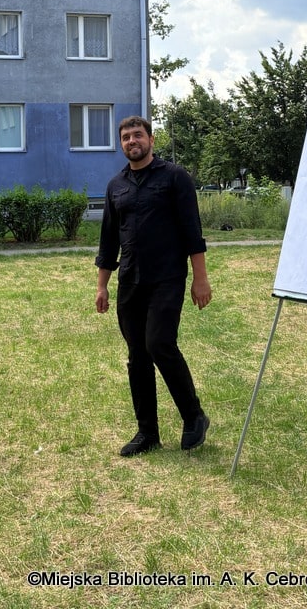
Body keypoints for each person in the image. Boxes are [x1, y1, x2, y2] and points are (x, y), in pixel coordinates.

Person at [95, 115, 212, 457]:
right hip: (130, 280)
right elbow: (108, 240)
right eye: (126, 137)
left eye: (138, 135)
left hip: (167, 278)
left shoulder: (175, 177)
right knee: (137, 355)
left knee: (159, 343)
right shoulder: (116, 186)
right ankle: (147, 432)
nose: (132, 141)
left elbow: (192, 231)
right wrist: (102, 286)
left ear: (151, 139)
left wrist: (200, 278)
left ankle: (193, 416)